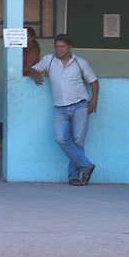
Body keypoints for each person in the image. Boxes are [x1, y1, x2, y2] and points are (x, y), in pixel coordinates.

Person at [28, 34, 100, 186]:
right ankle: (86, 165)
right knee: (61, 139)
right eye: (56, 46)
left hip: (80, 105)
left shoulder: (80, 63)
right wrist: (35, 75)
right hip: (60, 108)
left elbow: (93, 81)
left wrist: (94, 100)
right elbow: (33, 69)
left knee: (78, 141)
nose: (59, 49)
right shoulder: (49, 60)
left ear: (69, 47)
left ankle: (74, 177)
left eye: (62, 47)